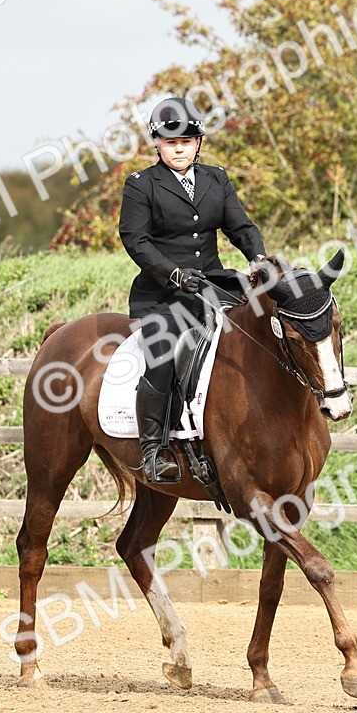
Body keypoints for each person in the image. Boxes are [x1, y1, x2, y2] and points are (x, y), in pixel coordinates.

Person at [118, 96, 268, 483]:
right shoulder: (141, 185)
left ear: (198, 142)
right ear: (157, 144)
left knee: (257, 337)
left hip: (214, 286)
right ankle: (153, 450)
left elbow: (240, 226)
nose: (179, 147)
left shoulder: (216, 179)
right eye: (171, 142)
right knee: (164, 354)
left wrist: (259, 257)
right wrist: (174, 274)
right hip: (162, 294)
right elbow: (136, 240)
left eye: (186, 140)